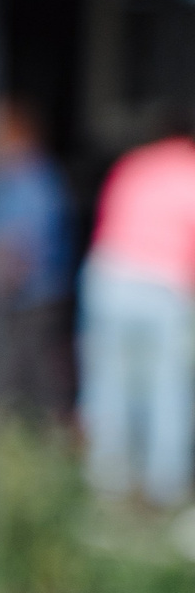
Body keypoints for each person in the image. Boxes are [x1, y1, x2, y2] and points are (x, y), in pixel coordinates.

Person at [79, 108, 195, 509]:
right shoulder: (190, 170)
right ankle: (164, 488)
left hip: (108, 276)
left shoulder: (134, 164)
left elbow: (106, 222)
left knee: (109, 384)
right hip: (163, 285)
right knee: (167, 388)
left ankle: (107, 486)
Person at [0, 97, 73, 419]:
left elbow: (22, 243)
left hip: (33, 297)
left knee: (30, 378)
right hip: (8, 295)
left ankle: (40, 444)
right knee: (8, 376)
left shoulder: (32, 177)